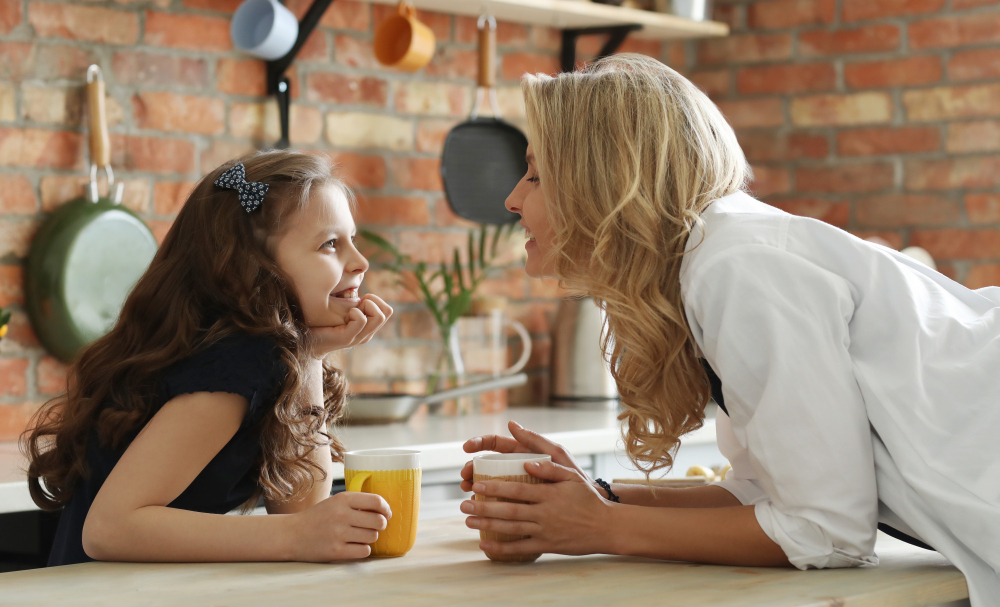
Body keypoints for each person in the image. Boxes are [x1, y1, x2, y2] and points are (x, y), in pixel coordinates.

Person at [458, 54, 999, 606]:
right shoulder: (717, 259)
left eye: (537, 174)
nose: (512, 200)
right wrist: (597, 496)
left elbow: (826, 531)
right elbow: (763, 495)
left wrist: (600, 527)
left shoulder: (735, 267)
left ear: (603, 182)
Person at [23, 150, 395, 566]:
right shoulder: (234, 363)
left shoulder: (261, 354)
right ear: (253, 266)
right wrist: (294, 536)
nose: (360, 262)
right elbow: (109, 530)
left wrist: (309, 353)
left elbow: (300, 508)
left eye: (352, 240)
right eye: (330, 244)